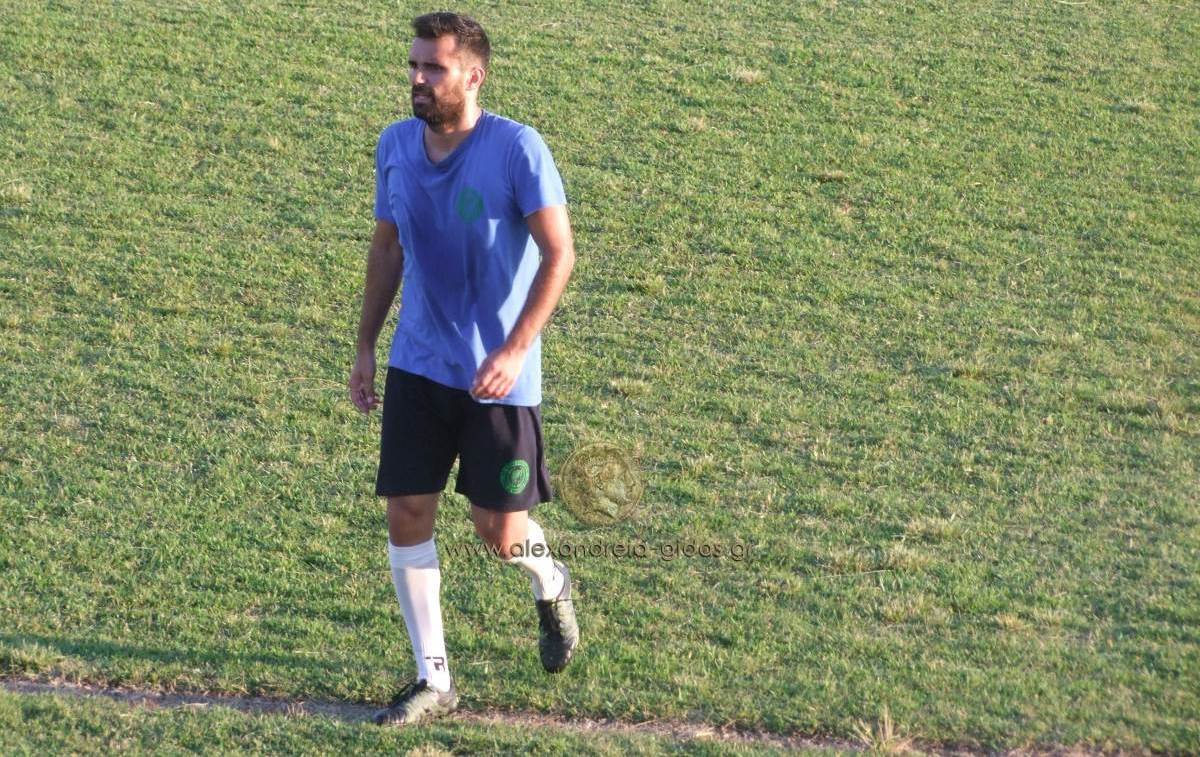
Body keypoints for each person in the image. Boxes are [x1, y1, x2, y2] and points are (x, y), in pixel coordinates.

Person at [348, 11, 579, 727]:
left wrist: (515, 349)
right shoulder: (395, 145)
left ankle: (551, 579)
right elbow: (387, 248)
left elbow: (559, 253)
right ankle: (434, 678)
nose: (418, 79)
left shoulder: (516, 149)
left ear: (473, 77)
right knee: (407, 512)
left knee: (500, 532)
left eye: (434, 68)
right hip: (419, 363)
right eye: (414, 65)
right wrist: (364, 344)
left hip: (499, 377)